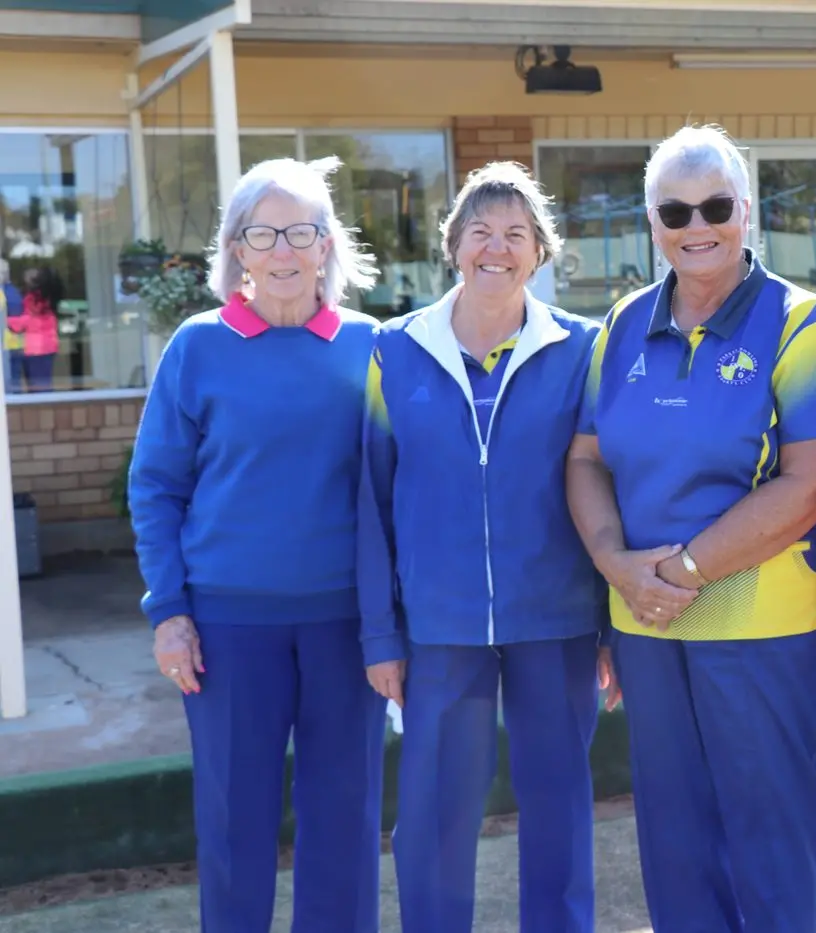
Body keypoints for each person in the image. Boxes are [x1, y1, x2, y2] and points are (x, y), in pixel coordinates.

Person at [566, 125, 816, 933]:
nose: (696, 225)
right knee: (672, 834)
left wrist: (680, 573)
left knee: (766, 832)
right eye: (675, 209)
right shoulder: (622, 324)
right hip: (646, 625)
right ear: (651, 223)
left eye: (715, 205)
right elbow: (585, 460)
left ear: (748, 210)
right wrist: (614, 565)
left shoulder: (803, 324)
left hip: (764, 626)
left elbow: (815, 481)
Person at [127, 156, 386, 933]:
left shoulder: (371, 344)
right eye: (263, 232)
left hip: (345, 626)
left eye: (301, 230)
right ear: (236, 248)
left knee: (343, 820)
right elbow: (155, 486)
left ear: (327, 245)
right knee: (237, 825)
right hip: (227, 629)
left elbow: (401, 484)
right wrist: (168, 610)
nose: (283, 250)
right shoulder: (197, 347)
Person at [358, 161, 609, 933]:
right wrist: (379, 633)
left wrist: (610, 626)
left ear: (540, 252)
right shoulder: (394, 350)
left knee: (559, 807)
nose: (495, 249)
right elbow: (369, 499)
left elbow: (606, 486)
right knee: (433, 816)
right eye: (479, 232)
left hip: (558, 620)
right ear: (451, 246)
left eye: (515, 234)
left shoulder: (582, 348)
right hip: (439, 626)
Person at [10, 266, 60, 391]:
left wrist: (5, 320)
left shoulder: (35, 299)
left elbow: (28, 321)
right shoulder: (47, 297)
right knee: (41, 385)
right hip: (45, 347)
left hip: (37, 349)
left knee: (39, 388)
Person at [0, 260, 24, 392]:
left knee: (9, 382)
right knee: (15, 381)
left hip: (7, 343)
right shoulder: (14, 292)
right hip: (15, 342)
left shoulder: (5, 293)